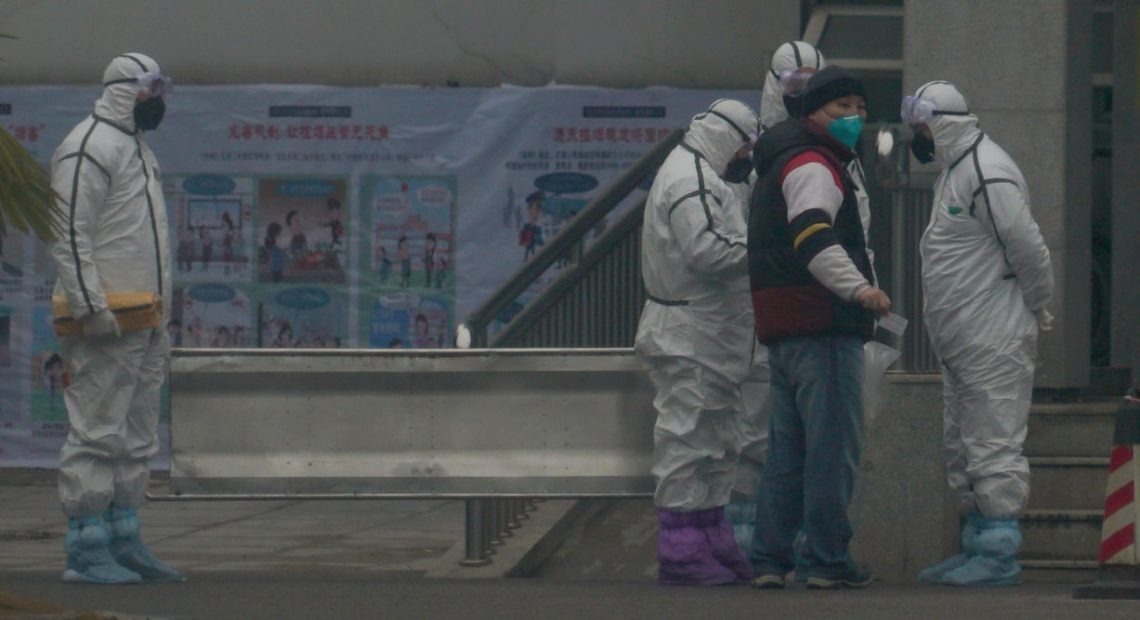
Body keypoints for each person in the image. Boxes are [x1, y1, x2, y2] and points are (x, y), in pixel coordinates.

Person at [904, 81, 1054, 587]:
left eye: (922, 127)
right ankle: (975, 541)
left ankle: (998, 550)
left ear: (942, 124)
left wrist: (1037, 303)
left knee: (993, 441)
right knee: (963, 444)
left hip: (993, 333)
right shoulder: (957, 170)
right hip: (964, 337)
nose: (917, 137)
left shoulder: (986, 171)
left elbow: (1028, 247)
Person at [746, 66, 891, 590]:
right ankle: (827, 558)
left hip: (783, 325)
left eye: (860, 106)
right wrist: (859, 290)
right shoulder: (813, 163)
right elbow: (812, 236)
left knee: (788, 452)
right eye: (841, 107)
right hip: (822, 323)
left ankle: (769, 557)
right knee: (832, 448)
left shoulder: (779, 160)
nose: (853, 117)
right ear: (811, 112)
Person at [47, 53, 183, 584]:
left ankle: (124, 535)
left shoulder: (135, 148)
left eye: (162, 88)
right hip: (105, 321)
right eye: (151, 89)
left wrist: (159, 317)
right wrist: (89, 305)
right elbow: (70, 233)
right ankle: (85, 546)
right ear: (125, 90)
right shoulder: (88, 147)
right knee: (97, 431)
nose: (159, 99)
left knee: (137, 433)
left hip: (145, 319)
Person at [635, 98, 760, 586]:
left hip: (707, 331)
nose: (747, 154)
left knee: (714, 437)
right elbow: (707, 250)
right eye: (745, 144)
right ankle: (682, 544)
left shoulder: (699, 173)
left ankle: (707, 531)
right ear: (727, 136)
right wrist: (770, 250)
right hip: (692, 332)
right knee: (688, 435)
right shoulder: (692, 179)